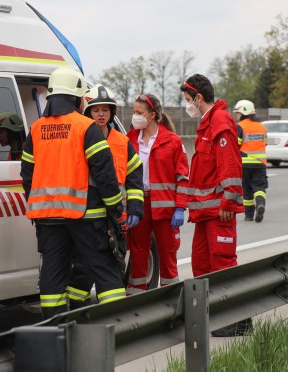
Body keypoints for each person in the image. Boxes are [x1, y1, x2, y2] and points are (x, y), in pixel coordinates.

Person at [21, 66, 126, 318]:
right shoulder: (85, 127)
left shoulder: (36, 129)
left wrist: (36, 206)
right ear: (78, 98)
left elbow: (27, 175)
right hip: (86, 215)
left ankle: (55, 330)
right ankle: (116, 325)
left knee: (53, 275)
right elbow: (105, 174)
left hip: (47, 218)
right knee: (104, 268)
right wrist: (115, 209)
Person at [180, 74, 249, 337]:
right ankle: (219, 315)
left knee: (222, 263)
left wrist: (229, 198)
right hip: (204, 211)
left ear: (199, 97)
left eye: (188, 100)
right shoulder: (207, 123)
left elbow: (229, 163)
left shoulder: (219, 121)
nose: (188, 105)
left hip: (219, 208)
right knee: (201, 263)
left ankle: (239, 319)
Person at [65, 85, 144, 306]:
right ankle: (77, 311)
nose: (101, 114)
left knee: (114, 264)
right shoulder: (78, 138)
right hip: (85, 216)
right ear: (87, 113)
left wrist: (136, 208)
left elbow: (134, 177)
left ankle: (110, 314)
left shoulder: (122, 141)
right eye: (96, 110)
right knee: (81, 267)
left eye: (105, 110)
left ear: (111, 113)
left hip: (115, 217)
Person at [126, 93, 189, 295]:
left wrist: (180, 208)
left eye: (138, 112)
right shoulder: (129, 139)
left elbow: (182, 178)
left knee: (167, 254)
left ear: (151, 115)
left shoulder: (172, 141)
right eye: (134, 111)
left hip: (165, 206)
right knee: (137, 253)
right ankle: (134, 299)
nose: (134, 116)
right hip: (138, 205)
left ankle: (171, 299)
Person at [233, 100, 268, 223]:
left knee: (247, 190)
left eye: (237, 112)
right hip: (260, 164)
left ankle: (249, 215)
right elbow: (265, 143)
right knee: (259, 188)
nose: (237, 115)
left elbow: (235, 144)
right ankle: (260, 204)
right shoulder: (262, 127)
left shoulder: (240, 126)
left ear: (243, 112)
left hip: (244, 164)